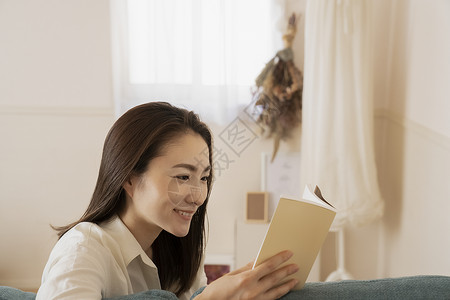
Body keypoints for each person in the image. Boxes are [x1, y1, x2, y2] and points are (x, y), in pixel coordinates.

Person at [37, 102, 299, 300]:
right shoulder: (83, 250)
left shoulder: (182, 249)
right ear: (129, 178)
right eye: (183, 176)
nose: (197, 196)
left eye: (204, 178)